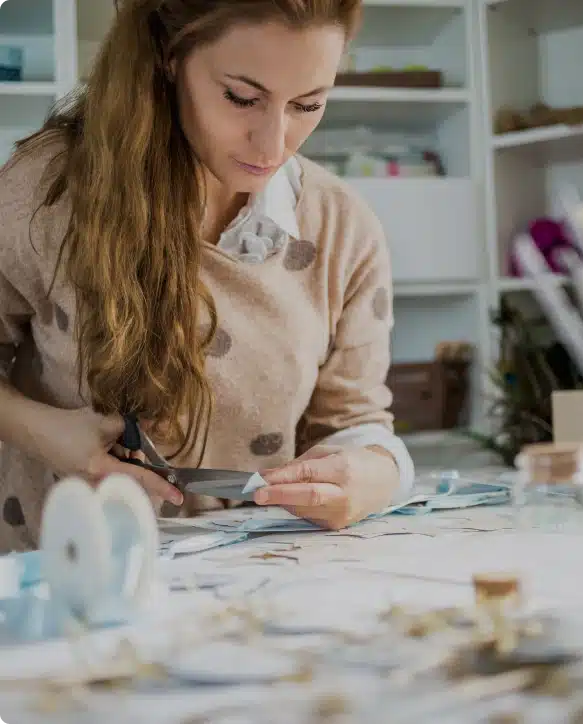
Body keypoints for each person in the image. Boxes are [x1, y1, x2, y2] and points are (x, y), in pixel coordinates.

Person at [0, 0, 415, 553]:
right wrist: (44, 432)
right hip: (62, 581)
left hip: (254, 590)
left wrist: (377, 474)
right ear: (170, 58)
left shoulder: (342, 227)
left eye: (308, 104)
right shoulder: (48, 190)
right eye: (242, 98)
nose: (273, 145)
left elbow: (356, 422)